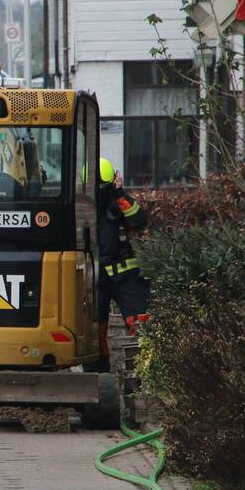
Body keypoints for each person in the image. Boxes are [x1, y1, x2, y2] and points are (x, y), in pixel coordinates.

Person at [94, 158, 150, 371]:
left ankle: (144, 375)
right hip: (96, 279)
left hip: (123, 276)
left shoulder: (118, 201)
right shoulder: (81, 205)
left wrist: (119, 194)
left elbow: (139, 219)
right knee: (95, 333)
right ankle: (99, 378)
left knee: (141, 324)